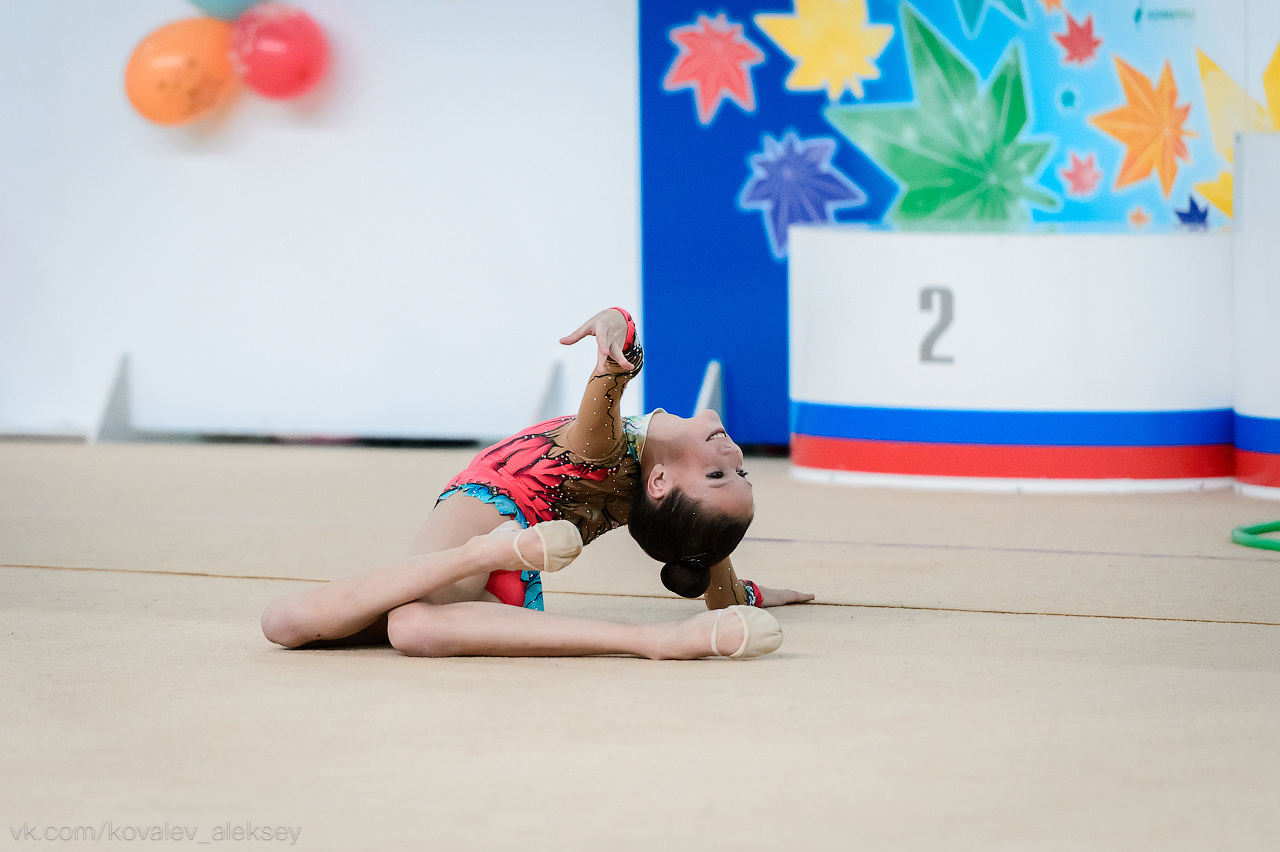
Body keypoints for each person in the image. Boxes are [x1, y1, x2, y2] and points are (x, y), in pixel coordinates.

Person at [260, 307, 813, 659]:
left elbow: (702, 549)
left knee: (399, 627)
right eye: (738, 472)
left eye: (724, 473)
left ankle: (642, 636)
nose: (736, 455)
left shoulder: (633, 468)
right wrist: (616, 326)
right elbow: (706, 557)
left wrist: (615, 338)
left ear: (663, 483)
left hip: (501, 531)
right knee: (296, 623)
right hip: (505, 532)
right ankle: (497, 558)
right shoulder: (631, 464)